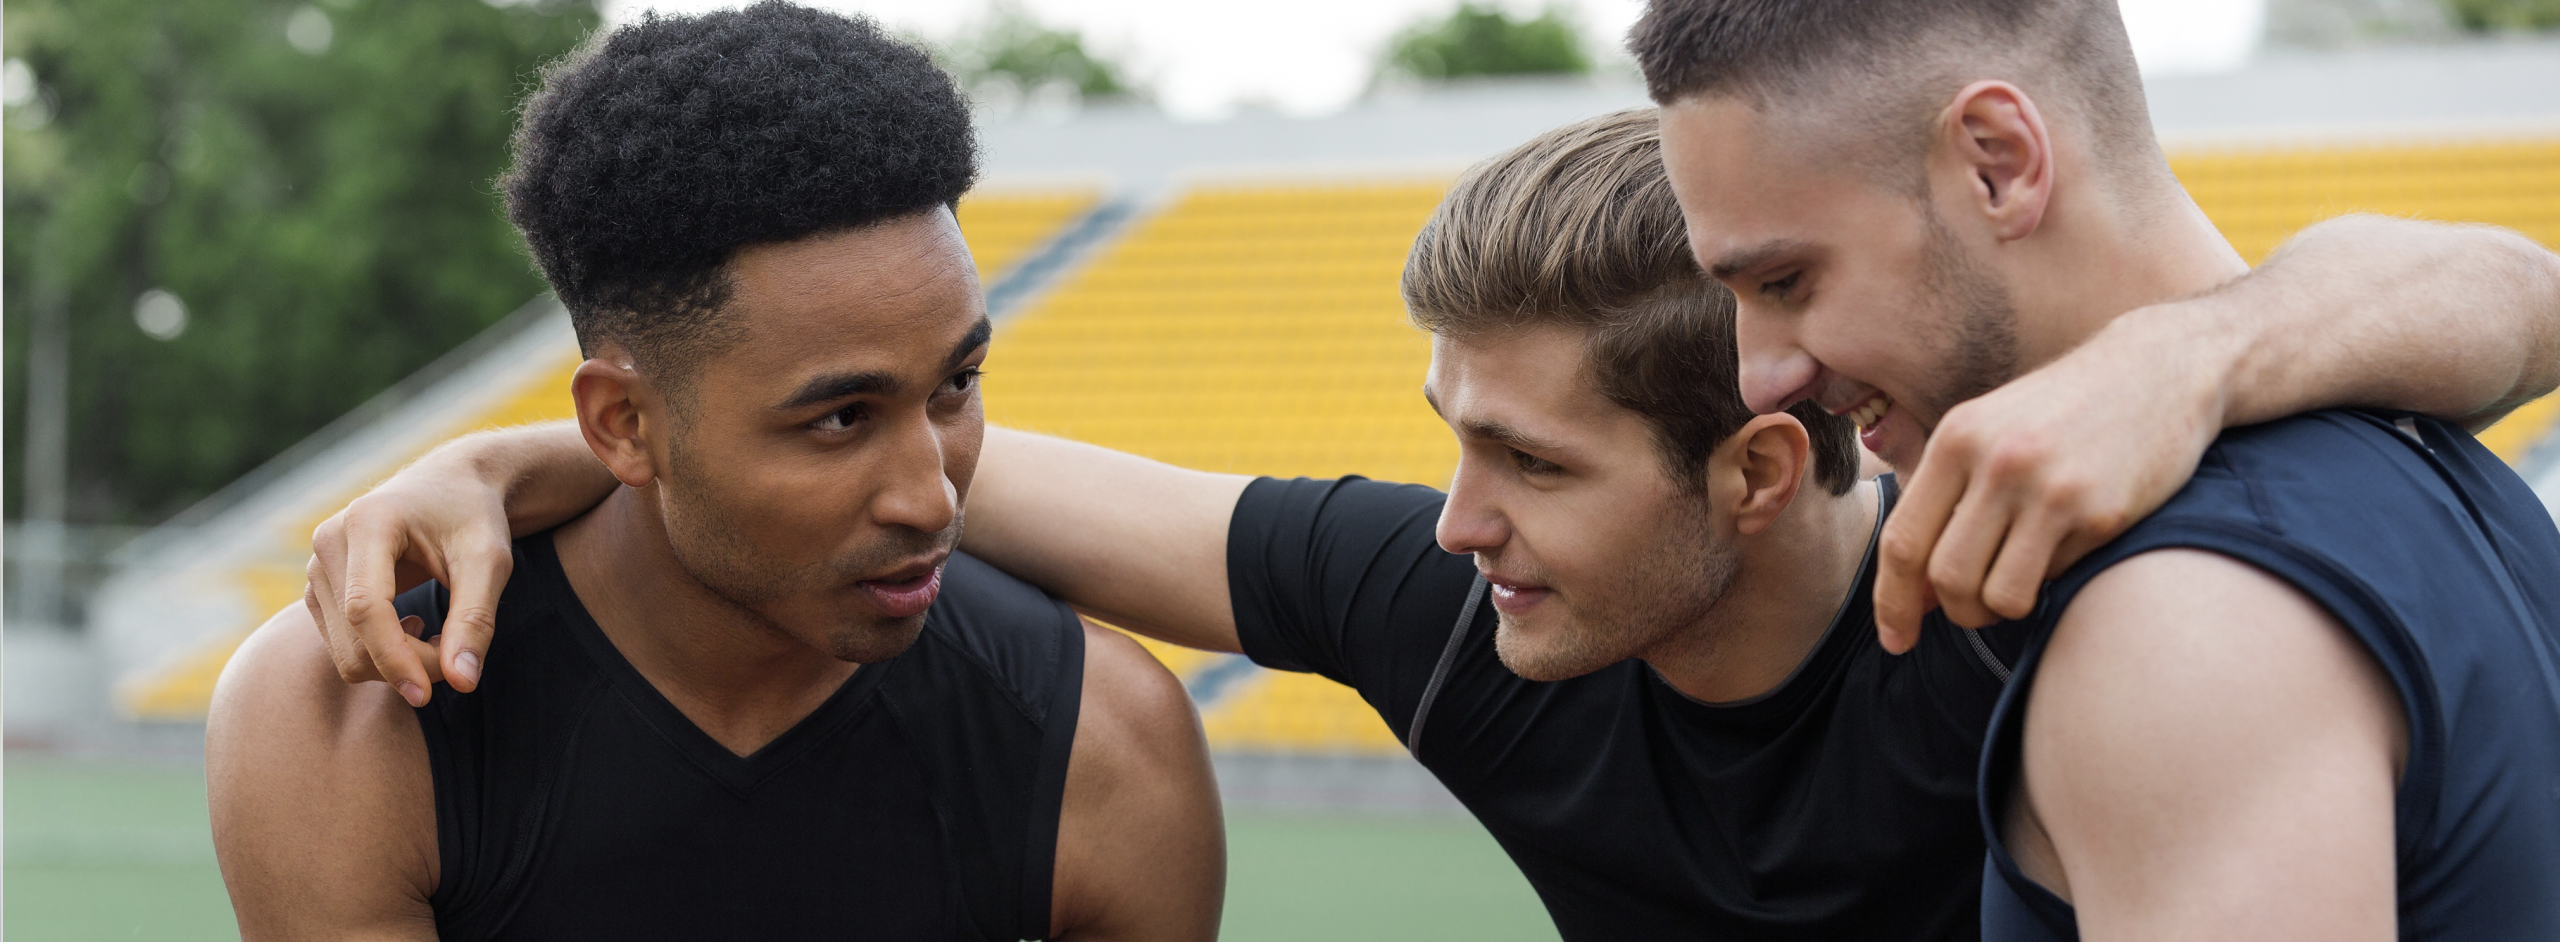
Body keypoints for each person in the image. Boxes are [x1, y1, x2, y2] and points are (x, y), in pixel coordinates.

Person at [300, 105, 2560, 940]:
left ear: (1757, 464)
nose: (1453, 523)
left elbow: (2508, 287)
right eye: (1447, 441)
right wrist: (521, 455)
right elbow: (932, 470)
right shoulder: (1461, 605)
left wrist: (2199, 350)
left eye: (1534, 464)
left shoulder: (2024, 586)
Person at [204, 6, 1222, 940]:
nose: (933, 497)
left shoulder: (1104, 742)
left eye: (957, 382)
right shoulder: (352, 714)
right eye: (839, 418)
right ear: (623, 424)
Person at [1632, 0, 2560, 938]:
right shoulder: (2404, 440)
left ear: (1998, 162)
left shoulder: (2183, 621)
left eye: (1785, 281)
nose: (1761, 379)